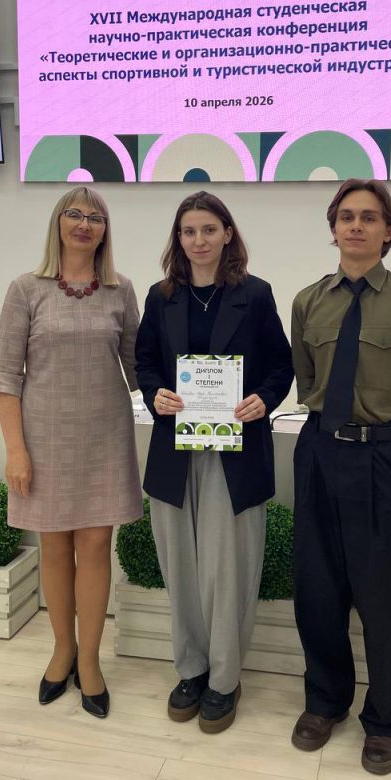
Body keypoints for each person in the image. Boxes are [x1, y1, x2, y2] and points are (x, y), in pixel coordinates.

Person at [290, 179, 391, 774]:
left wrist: (388, 441)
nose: (355, 226)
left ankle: (386, 720)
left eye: (368, 217)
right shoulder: (308, 302)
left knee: (384, 594)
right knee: (317, 587)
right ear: (333, 227)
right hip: (318, 452)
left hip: (381, 457)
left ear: (389, 230)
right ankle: (325, 701)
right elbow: (307, 379)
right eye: (345, 216)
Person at [135, 190, 293, 733]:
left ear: (228, 234)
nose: (198, 240)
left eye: (208, 229)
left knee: (228, 571)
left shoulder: (257, 294)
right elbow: (145, 362)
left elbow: (281, 367)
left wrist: (264, 400)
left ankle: (225, 679)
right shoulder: (160, 297)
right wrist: (154, 393)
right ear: (178, 239)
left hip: (235, 453)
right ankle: (192, 670)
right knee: (181, 567)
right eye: (188, 231)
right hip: (174, 452)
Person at [0, 187, 142, 719]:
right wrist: (16, 451)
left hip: (105, 436)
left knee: (96, 547)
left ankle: (92, 661)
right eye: (74, 214)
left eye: (95, 217)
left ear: (105, 230)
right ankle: (62, 651)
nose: (84, 224)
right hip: (44, 439)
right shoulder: (25, 289)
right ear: (58, 224)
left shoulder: (121, 290)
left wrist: (197, 384)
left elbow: (139, 367)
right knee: (54, 547)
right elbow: (6, 378)